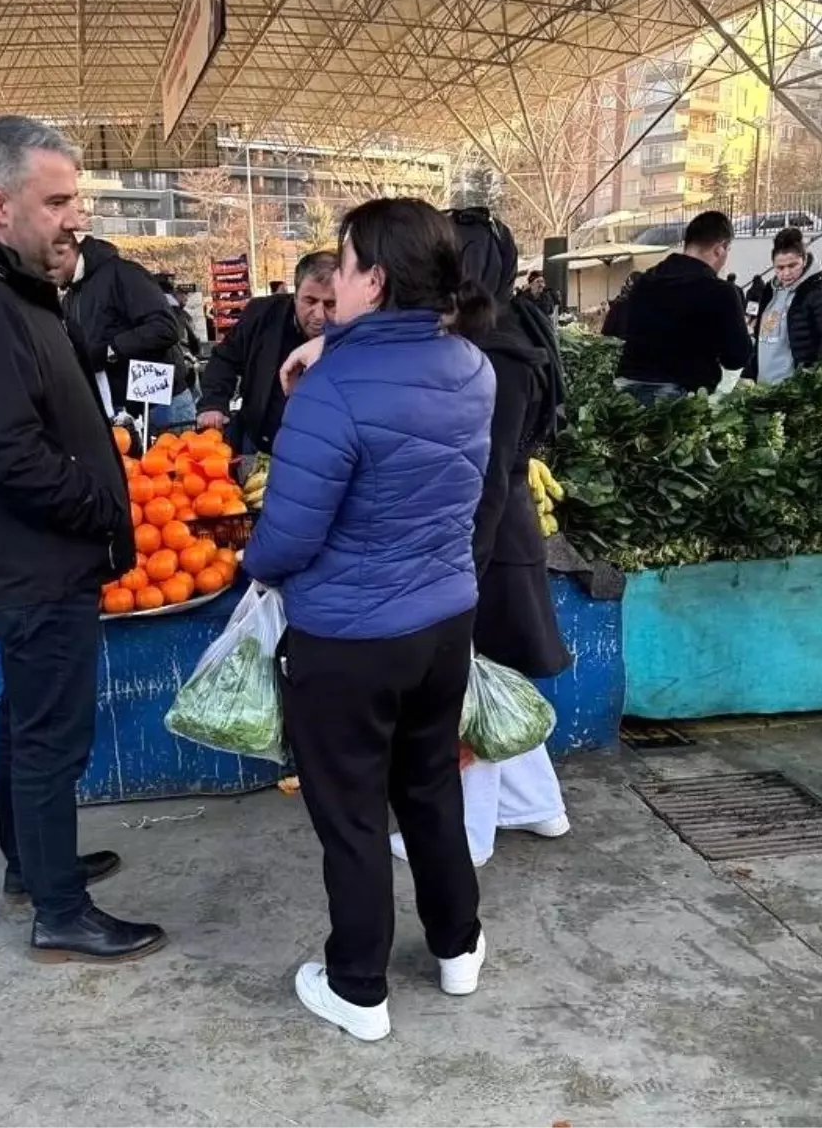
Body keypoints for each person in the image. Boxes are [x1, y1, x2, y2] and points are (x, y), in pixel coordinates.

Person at [0, 114, 163, 965]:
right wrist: (97, 505)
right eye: (56, 201)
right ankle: (59, 909)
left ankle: (32, 862)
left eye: (74, 200)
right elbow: (3, 449)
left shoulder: (0, 283)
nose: (73, 217)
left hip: (36, 558)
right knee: (54, 736)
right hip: (38, 558)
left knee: (29, 722)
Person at [244, 197, 496, 1042]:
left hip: (347, 638)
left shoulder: (332, 392)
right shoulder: (472, 368)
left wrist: (250, 564)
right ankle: (458, 949)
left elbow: (286, 535)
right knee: (428, 789)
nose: (332, 282)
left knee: (351, 813)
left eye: (342, 266)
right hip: (443, 623)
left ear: (374, 279)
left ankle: (358, 987)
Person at [390, 211, 571, 870]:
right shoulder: (510, 331)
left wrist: (459, 573)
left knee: (466, 687)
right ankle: (537, 803)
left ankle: (464, 836)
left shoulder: (492, 353)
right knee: (496, 679)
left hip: (483, 537)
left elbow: (489, 475)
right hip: (499, 531)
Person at [196, 251, 337, 452]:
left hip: (323, 448)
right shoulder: (261, 314)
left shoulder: (355, 327)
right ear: (294, 295)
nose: (320, 315)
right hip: (259, 440)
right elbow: (225, 357)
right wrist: (213, 403)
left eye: (330, 304)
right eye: (310, 301)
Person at [614, 211, 750, 404]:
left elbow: (624, 330)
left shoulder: (644, 282)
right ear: (721, 248)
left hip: (626, 393)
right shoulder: (720, 291)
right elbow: (737, 356)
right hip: (679, 399)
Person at [61, 236, 195, 429]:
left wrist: (111, 349)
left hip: (162, 403)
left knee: (181, 457)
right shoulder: (71, 297)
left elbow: (165, 327)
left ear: (65, 252)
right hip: (119, 410)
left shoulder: (124, 273)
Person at [747, 227, 822, 385]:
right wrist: (749, 373)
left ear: (803, 260)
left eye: (792, 265)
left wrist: (814, 381)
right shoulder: (769, 289)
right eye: (780, 268)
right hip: (763, 385)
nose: (786, 273)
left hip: (795, 389)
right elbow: (759, 336)